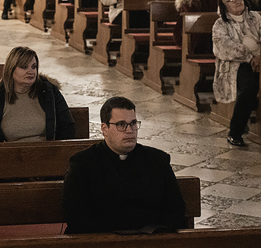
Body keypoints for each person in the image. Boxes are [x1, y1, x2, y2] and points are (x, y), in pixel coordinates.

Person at [62, 96, 186, 234]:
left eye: (133, 123)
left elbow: (176, 209)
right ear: (105, 128)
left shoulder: (157, 160)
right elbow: (77, 217)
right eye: (121, 124)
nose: (129, 130)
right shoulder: (83, 164)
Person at [212, 0, 261, 146]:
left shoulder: (255, 17)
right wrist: (250, 57)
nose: (238, 1)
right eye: (233, 0)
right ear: (225, 6)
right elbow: (226, 47)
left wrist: (260, 56)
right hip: (235, 65)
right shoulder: (220, 24)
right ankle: (235, 132)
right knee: (249, 88)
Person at [0, 46, 75, 142]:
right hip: (9, 155)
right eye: (24, 67)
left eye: (34, 67)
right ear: (11, 70)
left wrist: (57, 152)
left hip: (47, 153)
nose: (31, 71)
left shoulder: (49, 92)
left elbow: (67, 126)